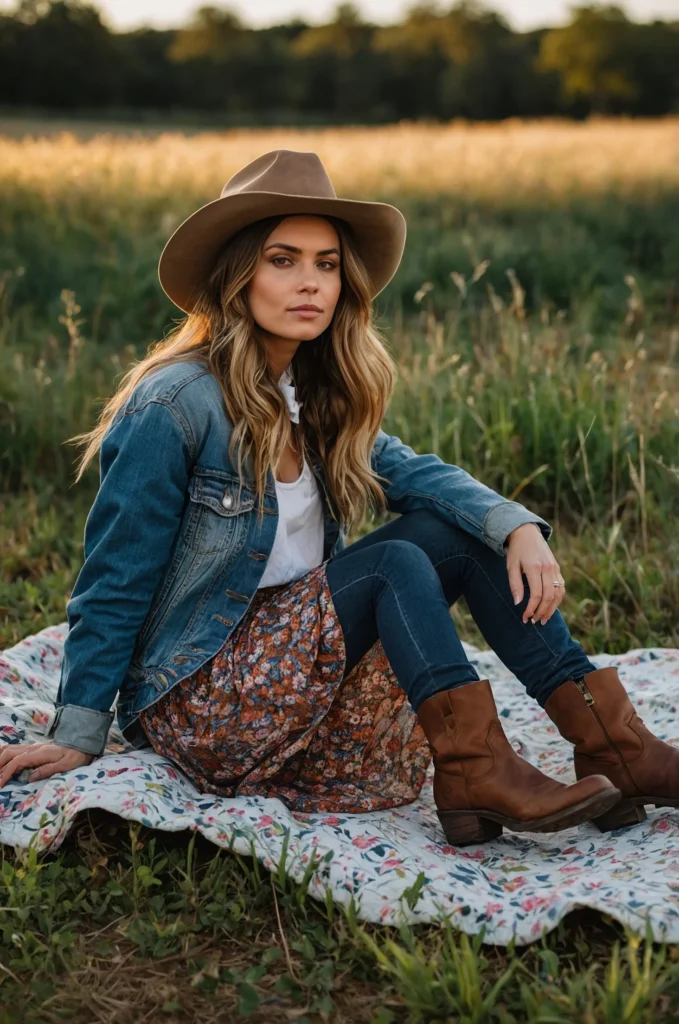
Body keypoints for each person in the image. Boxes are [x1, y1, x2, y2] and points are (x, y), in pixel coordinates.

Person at [1, 150, 677, 847]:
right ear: (236, 276)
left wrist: (516, 528)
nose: (310, 283)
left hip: (296, 671)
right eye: (282, 259)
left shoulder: (313, 395)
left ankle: (616, 749)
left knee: (453, 531)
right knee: (394, 563)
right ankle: (475, 770)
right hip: (203, 699)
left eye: (326, 264)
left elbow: (417, 474)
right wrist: (80, 729)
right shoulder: (174, 405)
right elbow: (116, 576)